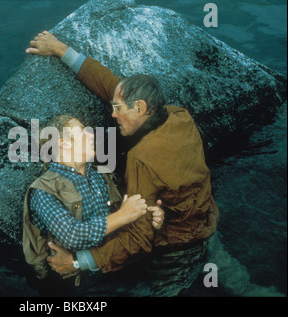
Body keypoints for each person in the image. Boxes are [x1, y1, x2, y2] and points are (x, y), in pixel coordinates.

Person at [25, 31, 219, 296]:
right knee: (233, 279)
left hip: (179, 244)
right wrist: (61, 49)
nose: (111, 113)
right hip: (206, 218)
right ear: (63, 144)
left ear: (139, 108)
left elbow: (137, 236)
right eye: (82, 132)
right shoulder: (177, 115)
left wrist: (77, 262)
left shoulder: (137, 162)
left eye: (118, 108)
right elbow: (109, 84)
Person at [22, 114, 164, 295]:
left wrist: (152, 215)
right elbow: (73, 235)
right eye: (82, 131)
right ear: (64, 144)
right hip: (79, 284)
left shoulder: (100, 174)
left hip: (116, 263)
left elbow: (128, 209)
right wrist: (123, 215)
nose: (91, 135)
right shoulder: (43, 191)